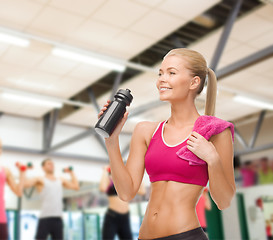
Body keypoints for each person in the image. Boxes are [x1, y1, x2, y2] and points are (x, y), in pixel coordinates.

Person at [98, 48, 235, 239]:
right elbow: (126, 193)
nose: (162, 79)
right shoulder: (145, 130)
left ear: (194, 82)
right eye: (160, 73)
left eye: (171, 73)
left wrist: (212, 159)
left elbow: (224, 201)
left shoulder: (215, 133)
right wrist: (112, 142)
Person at [24, 158, 80, 240]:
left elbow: (76, 186)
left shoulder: (60, 180)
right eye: (49, 164)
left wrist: (71, 173)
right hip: (45, 218)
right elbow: (25, 184)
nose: (51, 165)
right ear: (43, 167)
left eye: (52, 164)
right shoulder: (40, 179)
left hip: (58, 218)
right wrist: (25, 169)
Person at [99, 166, 145, 240]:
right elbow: (102, 188)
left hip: (125, 217)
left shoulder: (127, 183)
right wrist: (105, 170)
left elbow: (142, 191)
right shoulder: (110, 180)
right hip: (112, 216)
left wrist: (138, 175)